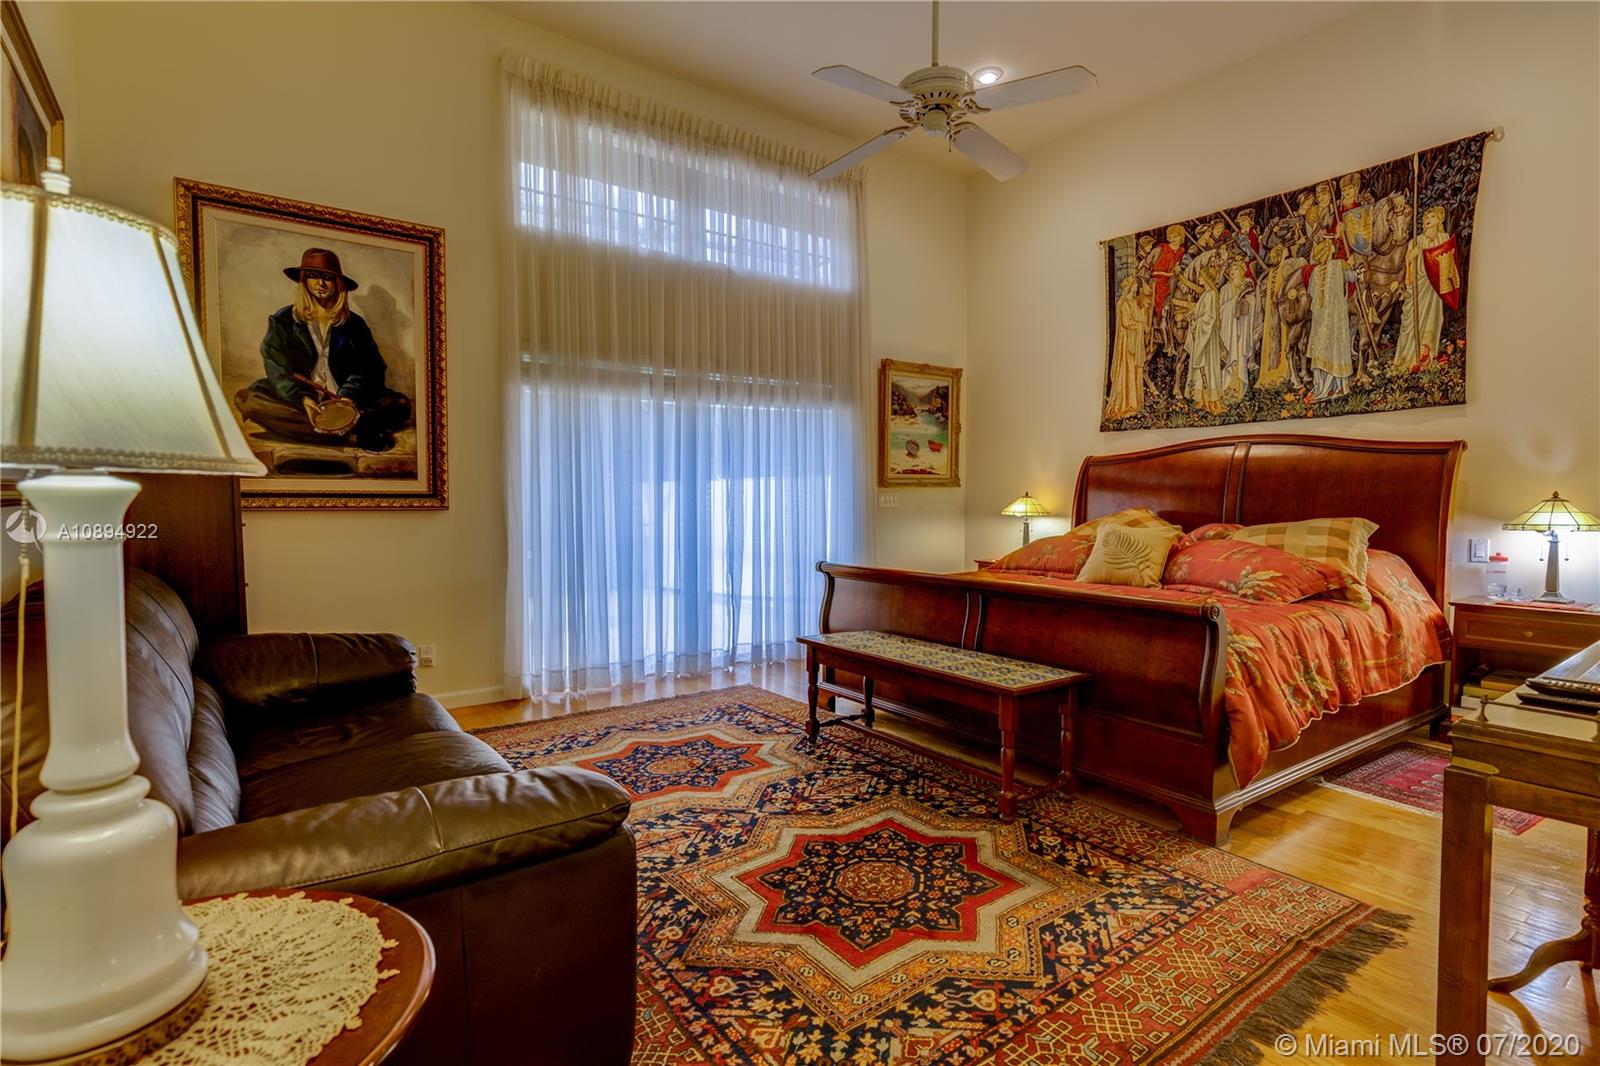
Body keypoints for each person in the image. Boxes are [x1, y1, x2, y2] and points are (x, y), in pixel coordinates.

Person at [235, 248, 412, 452]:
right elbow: (277, 369)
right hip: (302, 403)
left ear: (338, 283)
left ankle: (330, 428)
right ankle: (353, 432)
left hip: (346, 401)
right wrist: (304, 399)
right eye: (313, 276)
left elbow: (371, 368)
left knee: (400, 404)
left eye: (328, 277)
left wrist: (348, 398)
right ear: (304, 280)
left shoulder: (354, 324)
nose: (320, 283)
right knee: (247, 399)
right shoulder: (283, 320)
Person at [1394, 205, 1462, 370]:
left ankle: (1425, 357)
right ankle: (1406, 359)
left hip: (1434, 288)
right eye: (1425, 217)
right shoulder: (1415, 242)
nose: (1428, 220)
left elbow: (1449, 268)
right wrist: (1410, 259)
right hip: (1417, 288)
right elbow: (1408, 276)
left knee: (1432, 320)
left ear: (1439, 220)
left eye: (1432, 217)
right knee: (1410, 323)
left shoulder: (1444, 239)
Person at [1304, 239, 1359, 399]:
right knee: (1333, 350)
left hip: (1322, 320)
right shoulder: (1338, 265)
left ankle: (1324, 388)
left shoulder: (1317, 271)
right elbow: (1353, 277)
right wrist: (1355, 266)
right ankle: (1334, 387)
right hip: (1333, 319)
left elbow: (1312, 293)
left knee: (1323, 351)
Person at [1105, 275, 1150, 419]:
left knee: (1135, 369)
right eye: (1135, 285)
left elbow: (1139, 319)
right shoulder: (1124, 303)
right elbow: (1126, 322)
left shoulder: (1135, 303)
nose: (1137, 287)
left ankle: (1135, 404)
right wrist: (1141, 325)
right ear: (1130, 287)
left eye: (1136, 284)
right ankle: (1125, 404)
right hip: (1127, 343)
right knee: (1127, 368)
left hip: (1135, 342)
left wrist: (1144, 312)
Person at [1183, 260, 1225, 413]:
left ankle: (1210, 400)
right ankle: (1200, 398)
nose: (1199, 279)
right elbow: (1200, 312)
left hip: (1206, 337)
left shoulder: (1211, 294)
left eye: (1201, 276)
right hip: (1202, 335)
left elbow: (1210, 317)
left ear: (1206, 278)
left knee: (1207, 366)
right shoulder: (1206, 294)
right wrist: (1192, 314)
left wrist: (1197, 323)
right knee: (1202, 367)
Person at [1218, 259, 1259, 401]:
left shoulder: (1248, 286)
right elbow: (1221, 310)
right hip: (1229, 329)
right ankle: (1227, 390)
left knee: (1240, 357)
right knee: (1230, 358)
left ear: (1242, 271)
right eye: (1231, 270)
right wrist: (1236, 299)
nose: (1232, 272)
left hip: (1243, 328)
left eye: (1235, 269)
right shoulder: (1225, 289)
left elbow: (1254, 306)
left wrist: (1246, 300)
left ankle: (1239, 391)